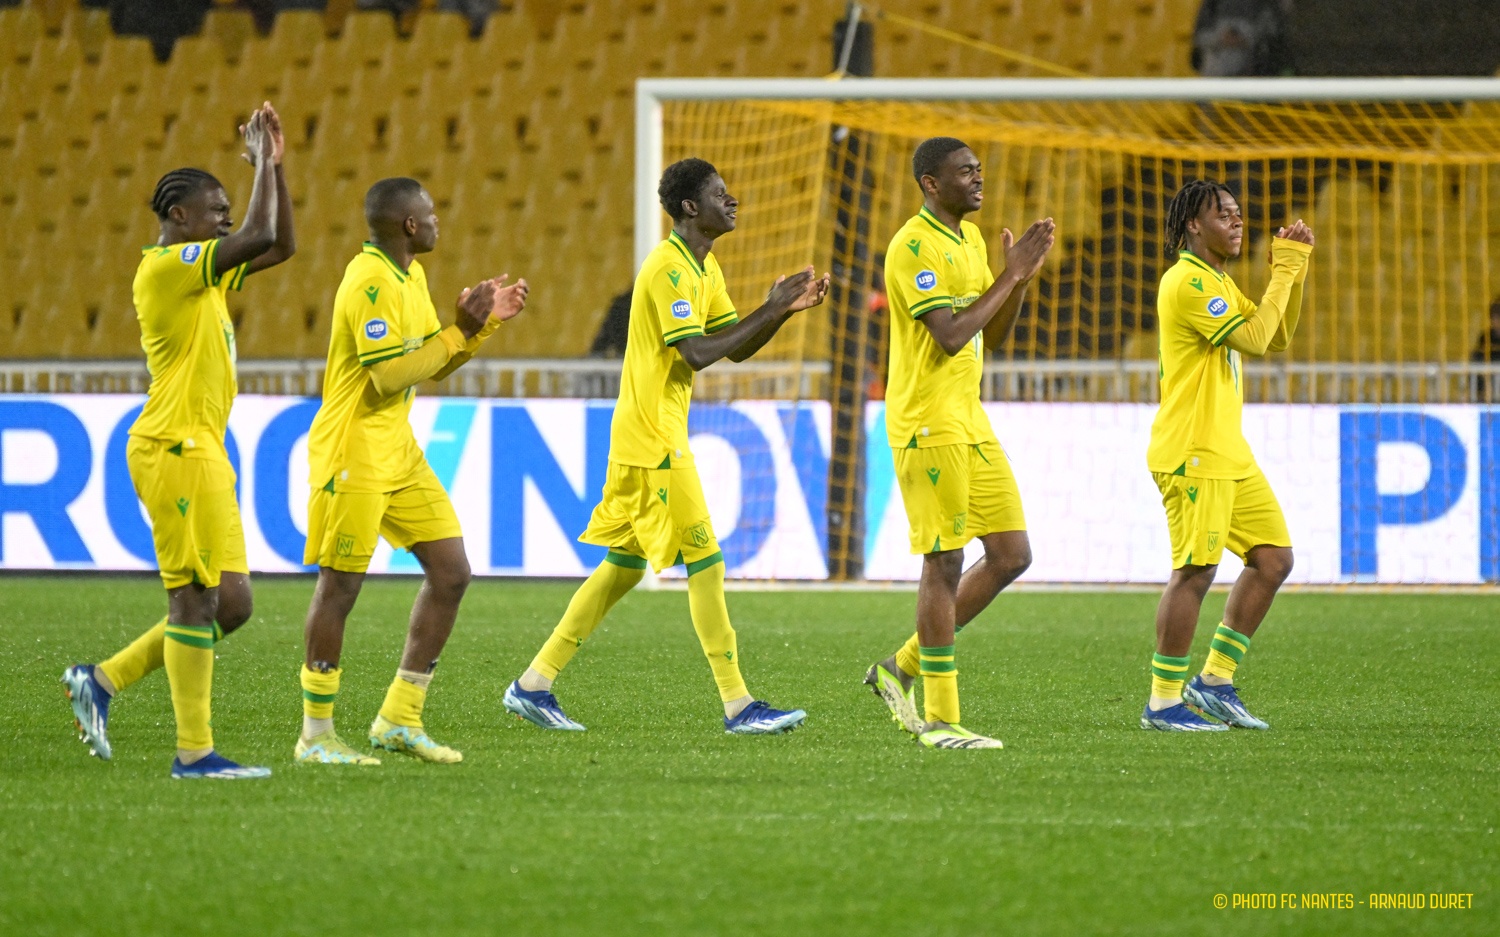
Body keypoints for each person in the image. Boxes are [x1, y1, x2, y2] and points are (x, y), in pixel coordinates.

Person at [503, 158, 829, 735]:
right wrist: (772, 306)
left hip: (647, 434)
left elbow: (734, 347)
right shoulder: (667, 269)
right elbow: (696, 354)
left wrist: (781, 312)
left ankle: (533, 683)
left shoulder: (705, 267)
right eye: (720, 194)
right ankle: (739, 705)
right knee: (707, 561)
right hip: (653, 438)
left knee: (623, 567)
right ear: (690, 207)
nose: (733, 200)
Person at [61, 103, 297, 778]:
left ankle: (101, 680)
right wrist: (261, 167)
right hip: (173, 445)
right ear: (179, 216)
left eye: (228, 209)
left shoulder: (205, 273)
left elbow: (280, 245)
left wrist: (276, 169)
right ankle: (195, 753)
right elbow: (257, 233)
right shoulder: (167, 267)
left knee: (234, 602)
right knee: (193, 598)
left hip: (203, 449)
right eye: (215, 210)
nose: (225, 218)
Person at [294, 177, 527, 765]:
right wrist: (459, 331)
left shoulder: (411, 275)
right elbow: (388, 376)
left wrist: (481, 326)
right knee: (340, 587)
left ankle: (399, 718)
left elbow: (432, 363)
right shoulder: (369, 281)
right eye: (431, 212)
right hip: (353, 452)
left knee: (451, 572)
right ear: (409, 225)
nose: (438, 220)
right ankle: (315, 736)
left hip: (396, 449)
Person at [862, 137, 1054, 751]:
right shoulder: (912, 246)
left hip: (969, 419)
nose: (977, 179)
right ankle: (941, 720)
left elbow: (989, 335)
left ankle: (899, 668)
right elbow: (947, 336)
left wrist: (1016, 282)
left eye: (979, 170)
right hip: (927, 423)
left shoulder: (969, 240)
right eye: (964, 171)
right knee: (944, 561)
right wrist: (1010, 274)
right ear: (930, 183)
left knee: (1011, 554)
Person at [1141, 180, 1313, 731]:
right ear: (1193, 224)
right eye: (1224, 215)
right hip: (1193, 450)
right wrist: (1283, 272)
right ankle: (1163, 702)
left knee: (1273, 559)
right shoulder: (1188, 281)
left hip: (1227, 451)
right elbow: (1256, 340)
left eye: (1239, 214)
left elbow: (1276, 336)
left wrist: (1293, 270)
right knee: (1195, 570)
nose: (1237, 222)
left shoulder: (1219, 280)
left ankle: (1214, 681)